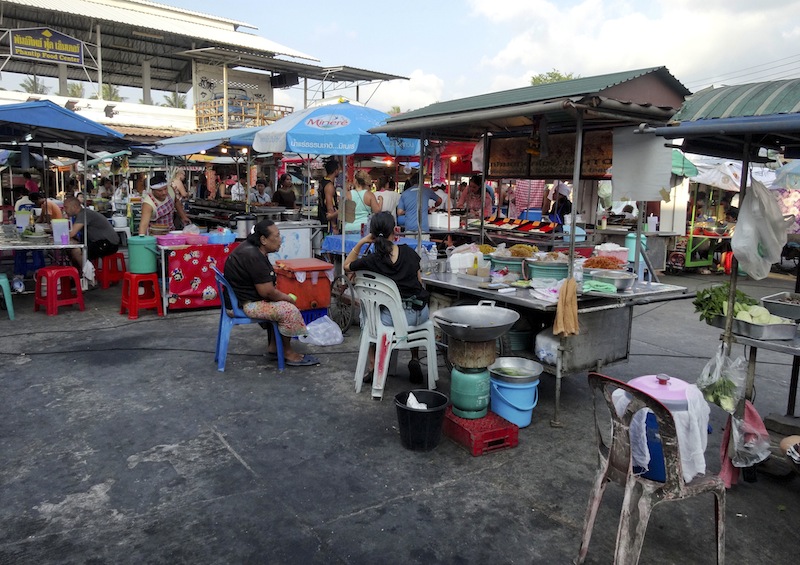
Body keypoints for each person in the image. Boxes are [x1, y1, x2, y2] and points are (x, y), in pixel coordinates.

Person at [344, 211, 430, 384]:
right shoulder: (409, 252)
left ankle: (372, 365)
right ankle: (414, 358)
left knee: (366, 312)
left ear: (373, 235)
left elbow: (347, 266)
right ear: (395, 231)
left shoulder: (373, 260)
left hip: (392, 320)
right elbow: (419, 284)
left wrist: (362, 242)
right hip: (420, 315)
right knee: (412, 305)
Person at [224, 219, 320, 367]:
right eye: (277, 236)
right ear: (263, 239)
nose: (280, 240)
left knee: (278, 301)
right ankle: (288, 353)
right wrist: (287, 298)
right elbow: (267, 292)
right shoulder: (253, 256)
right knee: (288, 309)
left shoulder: (252, 249)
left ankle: (274, 348)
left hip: (240, 299)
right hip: (244, 304)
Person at [63, 196, 120, 269]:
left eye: (66, 207)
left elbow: (71, 233)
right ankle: (77, 274)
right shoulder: (81, 214)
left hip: (108, 243)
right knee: (74, 247)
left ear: (74, 207)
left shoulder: (83, 214)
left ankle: (87, 275)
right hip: (100, 242)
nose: (64, 210)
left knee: (76, 251)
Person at [317, 159, 340, 234]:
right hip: (328, 223)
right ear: (335, 170)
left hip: (322, 217)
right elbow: (329, 206)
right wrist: (334, 225)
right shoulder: (329, 186)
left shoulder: (322, 181)